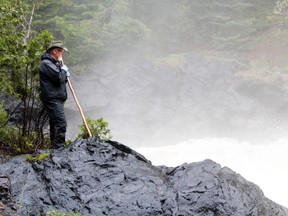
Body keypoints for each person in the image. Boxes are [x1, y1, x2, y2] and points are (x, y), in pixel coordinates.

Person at [38, 41, 70, 149]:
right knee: (60, 123)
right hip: (53, 98)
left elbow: (60, 80)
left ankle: (55, 148)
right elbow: (58, 77)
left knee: (55, 123)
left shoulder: (54, 64)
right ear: (54, 51)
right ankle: (58, 149)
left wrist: (64, 73)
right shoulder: (46, 63)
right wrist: (64, 72)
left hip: (56, 97)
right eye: (61, 51)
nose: (62, 54)